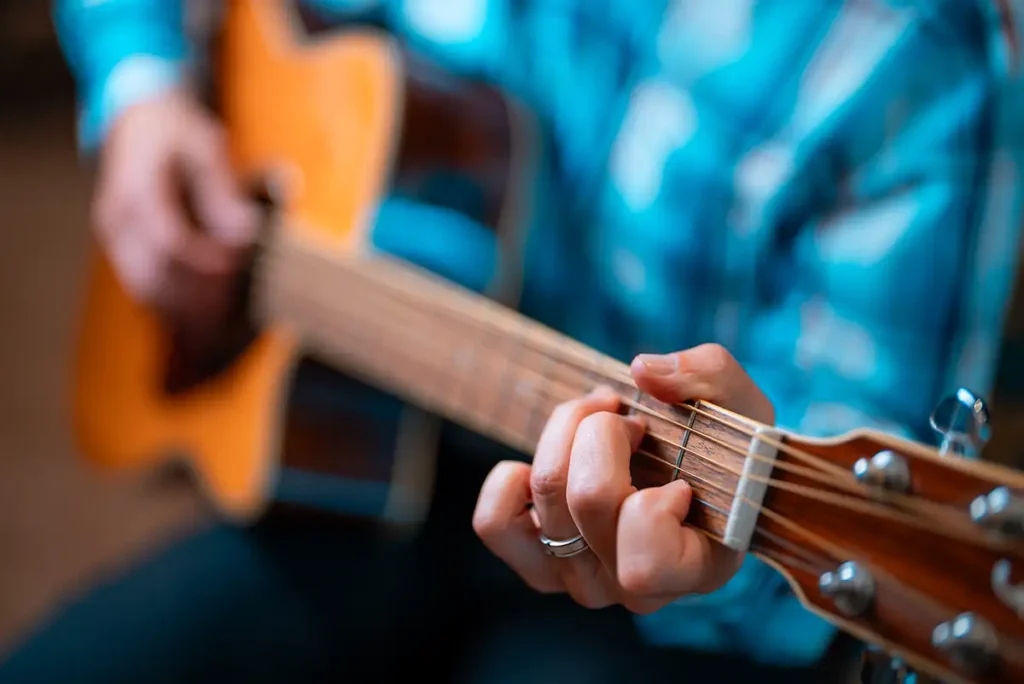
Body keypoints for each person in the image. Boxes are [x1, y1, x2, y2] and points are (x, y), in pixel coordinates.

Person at [4, 0, 1023, 682]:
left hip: (642, 606)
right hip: (360, 454)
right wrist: (143, 92)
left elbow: (820, 587)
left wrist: (721, 558)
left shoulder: (922, 71)